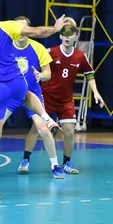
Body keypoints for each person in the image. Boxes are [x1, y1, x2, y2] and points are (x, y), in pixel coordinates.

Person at [0, 0, 66, 200]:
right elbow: (38, 32)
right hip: (15, 81)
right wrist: (55, 28)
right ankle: (46, 117)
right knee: (26, 95)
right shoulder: (9, 26)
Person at [0, 16, 66, 179]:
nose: (22, 32)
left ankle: (55, 165)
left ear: (29, 30)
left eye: (25, 29)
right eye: (19, 28)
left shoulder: (38, 48)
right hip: (10, 95)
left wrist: (41, 75)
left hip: (31, 94)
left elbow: (48, 73)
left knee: (43, 129)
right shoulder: (5, 45)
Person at [35, 17, 105, 174]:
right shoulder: (50, 52)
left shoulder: (80, 56)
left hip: (66, 99)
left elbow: (89, 74)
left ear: (75, 36)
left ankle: (66, 162)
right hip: (47, 97)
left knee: (70, 130)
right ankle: (26, 159)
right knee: (37, 128)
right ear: (60, 35)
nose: (67, 36)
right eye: (64, 33)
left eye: (70, 33)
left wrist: (96, 92)